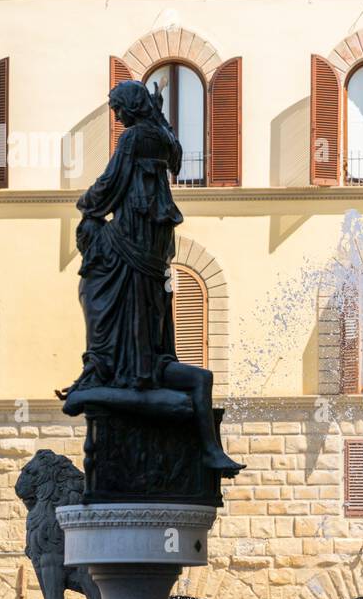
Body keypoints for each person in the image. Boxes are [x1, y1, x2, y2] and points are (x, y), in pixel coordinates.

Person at [60, 80, 242, 476]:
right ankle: (143, 362)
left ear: (131, 106)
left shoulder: (131, 140)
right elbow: (176, 155)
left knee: (132, 294)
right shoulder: (160, 135)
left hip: (134, 233)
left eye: (118, 108)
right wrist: (160, 115)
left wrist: (86, 204)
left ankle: (135, 366)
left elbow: (109, 184)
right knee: (147, 293)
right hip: (156, 238)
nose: (117, 115)